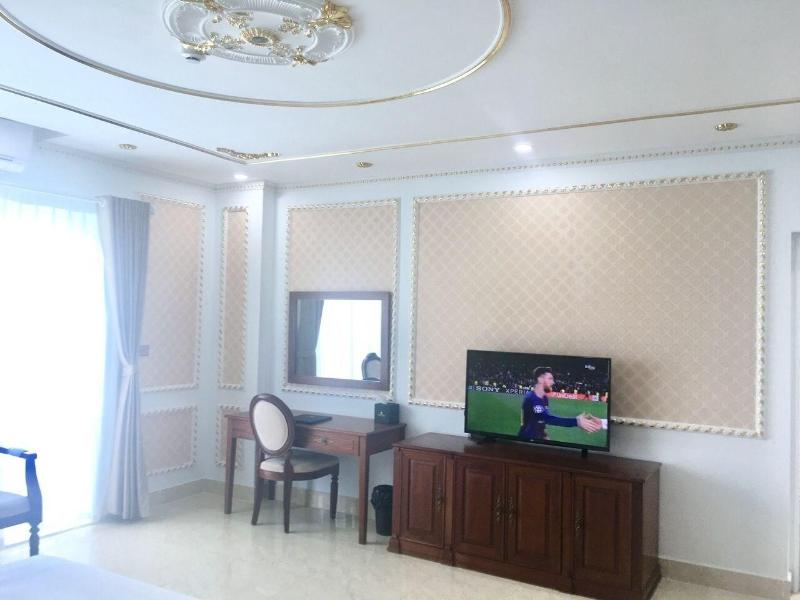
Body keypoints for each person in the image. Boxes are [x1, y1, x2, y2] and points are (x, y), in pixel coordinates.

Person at [518, 366, 602, 441]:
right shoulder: (531, 398)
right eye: (550, 379)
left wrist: (545, 436)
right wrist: (576, 422)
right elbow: (547, 418)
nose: (553, 382)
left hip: (539, 439)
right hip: (527, 441)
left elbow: (542, 423)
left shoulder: (544, 398)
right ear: (540, 379)